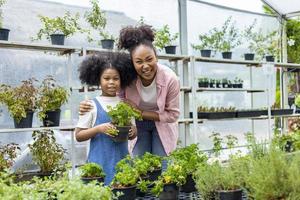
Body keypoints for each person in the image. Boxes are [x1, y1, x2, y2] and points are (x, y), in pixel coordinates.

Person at [80, 25, 180, 160]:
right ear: (132, 63)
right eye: (139, 62)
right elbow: (114, 97)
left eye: (149, 59)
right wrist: (88, 105)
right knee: (139, 164)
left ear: (156, 57)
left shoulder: (170, 79)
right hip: (136, 123)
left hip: (161, 123)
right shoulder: (128, 77)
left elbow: (173, 115)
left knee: (162, 163)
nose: (145, 66)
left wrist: (141, 113)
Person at [75, 52, 137, 185]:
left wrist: (133, 131)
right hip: (99, 163)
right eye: (106, 78)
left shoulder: (125, 105)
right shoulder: (90, 105)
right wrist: (98, 129)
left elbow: (133, 133)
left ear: (122, 80)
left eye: (116, 78)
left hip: (122, 162)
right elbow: (79, 135)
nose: (111, 82)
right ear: (99, 80)